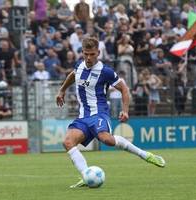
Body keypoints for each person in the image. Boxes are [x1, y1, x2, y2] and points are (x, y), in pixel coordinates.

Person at [56, 37, 165, 188]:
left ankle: (145, 155)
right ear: (82, 52)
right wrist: (62, 90)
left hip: (99, 113)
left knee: (106, 139)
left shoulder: (105, 71)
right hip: (83, 117)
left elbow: (124, 89)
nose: (88, 57)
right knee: (67, 142)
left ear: (98, 53)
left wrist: (125, 111)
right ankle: (87, 176)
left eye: (92, 54)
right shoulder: (79, 66)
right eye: (86, 54)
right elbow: (73, 75)